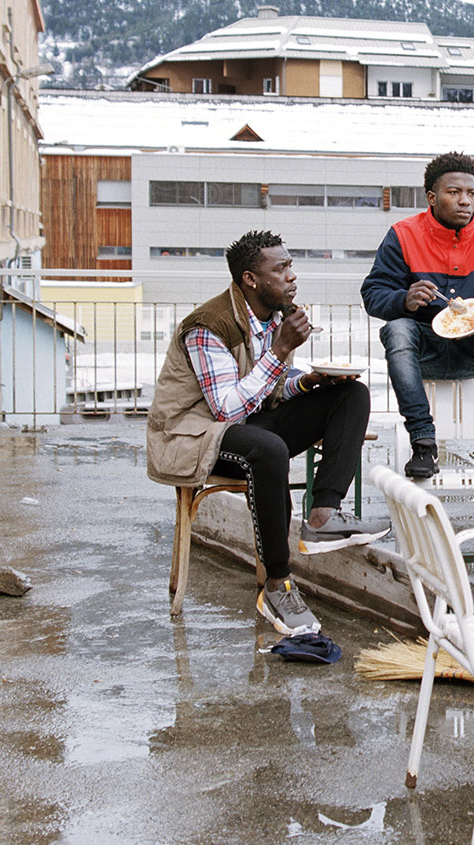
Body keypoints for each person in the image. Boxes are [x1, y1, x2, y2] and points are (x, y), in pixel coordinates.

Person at [145, 231, 377, 649]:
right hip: (193, 438)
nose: (292, 276)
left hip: (244, 428)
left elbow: (263, 390)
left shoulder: (271, 316)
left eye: (291, 265)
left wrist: (305, 382)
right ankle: (277, 588)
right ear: (251, 279)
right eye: (281, 268)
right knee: (267, 450)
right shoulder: (208, 326)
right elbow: (227, 409)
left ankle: (323, 515)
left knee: (350, 395)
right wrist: (281, 350)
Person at [362, 151, 474, 481]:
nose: (466, 201)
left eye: (472, 193)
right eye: (454, 193)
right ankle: (423, 443)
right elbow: (373, 294)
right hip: (425, 351)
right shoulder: (402, 235)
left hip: (473, 351)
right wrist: (404, 300)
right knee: (397, 329)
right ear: (432, 197)